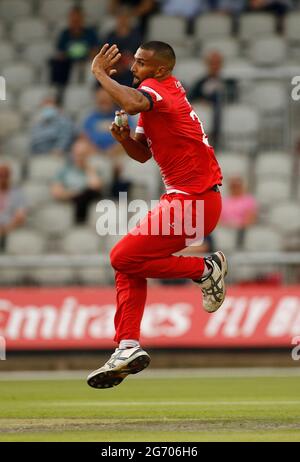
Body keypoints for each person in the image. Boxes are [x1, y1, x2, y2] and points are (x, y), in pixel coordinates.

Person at [87, 41, 228, 389]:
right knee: (128, 263)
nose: (134, 67)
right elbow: (143, 155)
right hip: (187, 199)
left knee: (121, 256)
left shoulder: (155, 89)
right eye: (134, 61)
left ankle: (205, 268)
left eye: (142, 63)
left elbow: (132, 101)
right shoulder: (156, 98)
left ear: (161, 70)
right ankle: (127, 346)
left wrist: (99, 73)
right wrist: (123, 141)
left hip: (193, 200)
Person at [189, 51, 238, 149]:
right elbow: (191, 98)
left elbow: (234, 97)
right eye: (212, 63)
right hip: (207, 112)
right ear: (207, 65)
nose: (215, 66)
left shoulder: (229, 82)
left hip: (223, 110)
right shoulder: (200, 82)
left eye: (217, 63)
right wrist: (201, 101)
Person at [49, 6, 99, 101]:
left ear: (82, 19)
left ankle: (93, 92)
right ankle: (58, 92)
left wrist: (82, 56)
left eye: (77, 18)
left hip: (87, 62)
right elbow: (60, 53)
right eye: (73, 18)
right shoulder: (65, 34)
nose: (75, 21)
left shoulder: (90, 33)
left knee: (93, 65)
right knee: (57, 64)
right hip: (69, 63)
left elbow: (95, 50)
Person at [51, 139, 103, 223]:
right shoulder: (64, 171)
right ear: (72, 154)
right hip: (71, 202)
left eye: (83, 155)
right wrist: (76, 193)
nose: (79, 157)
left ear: (88, 155)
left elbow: (95, 187)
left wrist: (88, 168)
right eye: (77, 154)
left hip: (88, 200)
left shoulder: (93, 170)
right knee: (82, 196)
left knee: (89, 193)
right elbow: (56, 193)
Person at [221, 176, 257, 248]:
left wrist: (237, 225)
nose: (235, 188)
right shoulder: (224, 200)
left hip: (243, 231)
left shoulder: (248, 199)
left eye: (237, 186)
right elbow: (219, 219)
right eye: (233, 186)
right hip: (226, 229)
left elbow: (251, 218)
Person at [0, 165, 27, 251]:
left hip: (10, 227)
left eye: (5, 176)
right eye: (1, 176)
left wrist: (6, 229)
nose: (2, 179)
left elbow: (20, 216)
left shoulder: (17, 193)